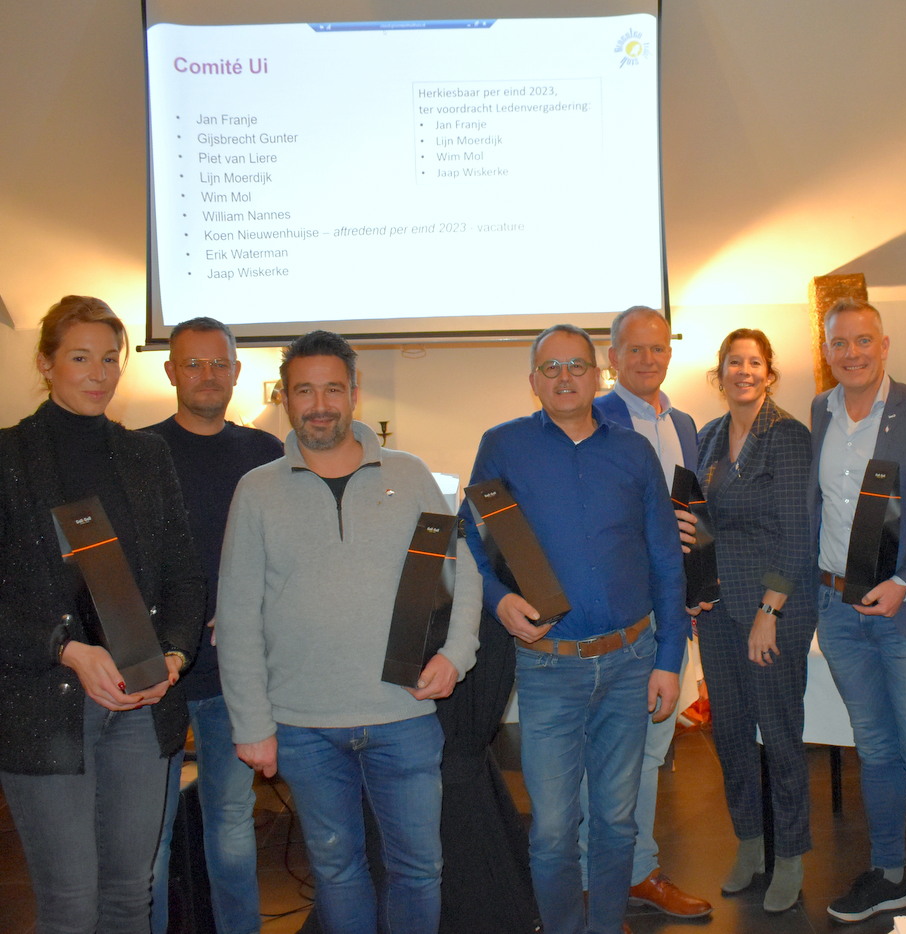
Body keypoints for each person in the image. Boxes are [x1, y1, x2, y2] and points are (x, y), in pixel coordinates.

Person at [216, 330, 481, 934]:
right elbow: (237, 614)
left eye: (333, 389)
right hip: (303, 725)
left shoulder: (409, 474)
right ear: (285, 398)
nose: (320, 405)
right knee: (336, 870)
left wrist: (455, 654)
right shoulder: (256, 491)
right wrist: (252, 724)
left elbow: (461, 572)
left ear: (354, 394)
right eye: (304, 391)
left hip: (402, 716)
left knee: (420, 870)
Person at [464, 323, 687, 934]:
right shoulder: (503, 446)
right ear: (534, 381)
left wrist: (670, 658)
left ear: (598, 375)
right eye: (551, 367)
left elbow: (665, 559)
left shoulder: (633, 452)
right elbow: (471, 540)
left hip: (630, 662)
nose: (565, 377)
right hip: (548, 667)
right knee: (555, 829)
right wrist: (499, 600)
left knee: (616, 821)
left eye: (577, 366)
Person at [0, 295, 204, 933]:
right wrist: (66, 649)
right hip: (47, 705)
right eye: (81, 358)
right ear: (46, 363)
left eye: (110, 359)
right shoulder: (8, 458)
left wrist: (174, 654)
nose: (99, 374)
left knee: (130, 894)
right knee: (71, 903)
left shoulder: (147, 456)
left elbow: (184, 575)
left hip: (144, 701)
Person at [810, 299, 906, 922]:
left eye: (863, 340)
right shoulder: (818, 413)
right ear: (826, 352)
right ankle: (890, 875)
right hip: (837, 607)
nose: (853, 353)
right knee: (872, 750)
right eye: (840, 343)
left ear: (885, 344)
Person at [148, 317, 283, 934]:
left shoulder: (265, 452)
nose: (208, 375)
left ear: (236, 371)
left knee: (230, 823)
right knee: (152, 836)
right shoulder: (139, 453)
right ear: (170, 371)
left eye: (219, 363)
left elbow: (286, 555)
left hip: (236, 676)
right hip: (158, 675)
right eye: (193, 364)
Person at [588, 306, 711, 919]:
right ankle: (601, 879)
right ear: (612, 358)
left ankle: (633, 871)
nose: (647, 359)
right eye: (633, 349)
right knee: (608, 756)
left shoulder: (684, 422)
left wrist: (698, 575)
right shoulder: (591, 417)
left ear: (669, 353)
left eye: (657, 348)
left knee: (653, 749)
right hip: (621, 615)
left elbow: (690, 509)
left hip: (671, 610)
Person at [694, 328, 815, 913]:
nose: (744, 371)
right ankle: (750, 842)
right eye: (734, 362)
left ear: (769, 373)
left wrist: (770, 611)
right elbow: (702, 521)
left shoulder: (786, 436)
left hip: (774, 608)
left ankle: (789, 854)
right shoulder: (709, 436)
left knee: (780, 733)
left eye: (755, 362)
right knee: (731, 733)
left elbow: (797, 533)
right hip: (718, 609)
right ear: (720, 373)